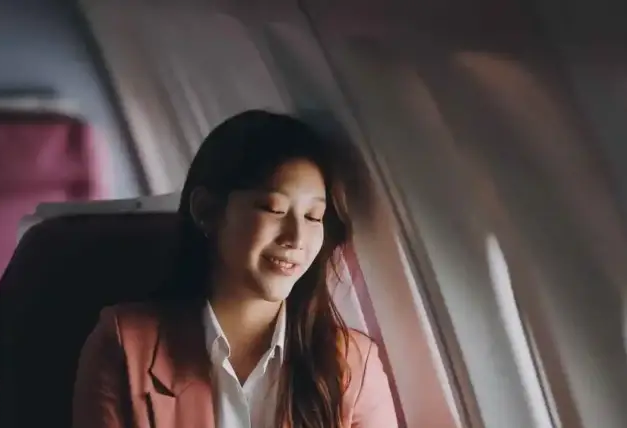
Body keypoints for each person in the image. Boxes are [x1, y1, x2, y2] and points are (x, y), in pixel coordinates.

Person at [72, 110, 398, 428]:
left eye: (314, 216)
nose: (296, 238)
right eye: (273, 209)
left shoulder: (353, 366)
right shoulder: (124, 346)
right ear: (207, 211)